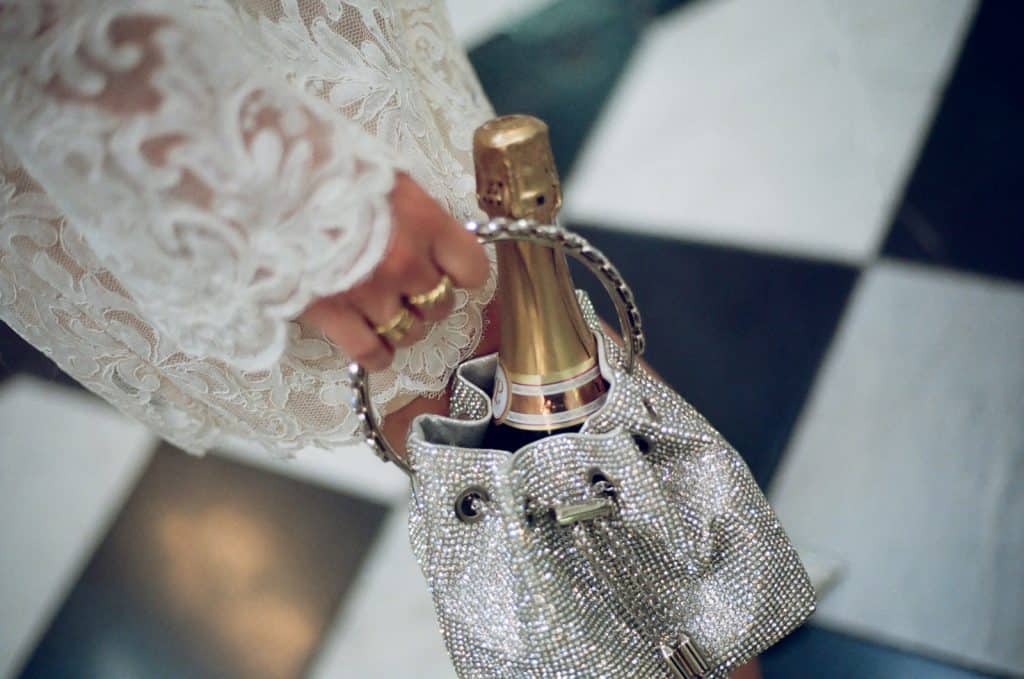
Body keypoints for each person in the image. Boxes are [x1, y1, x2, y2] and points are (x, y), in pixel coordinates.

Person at [0, 2, 760, 676]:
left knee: (525, 374)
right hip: (187, 88)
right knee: (481, 367)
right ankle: (696, 618)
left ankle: (698, 615)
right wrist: (289, 192)